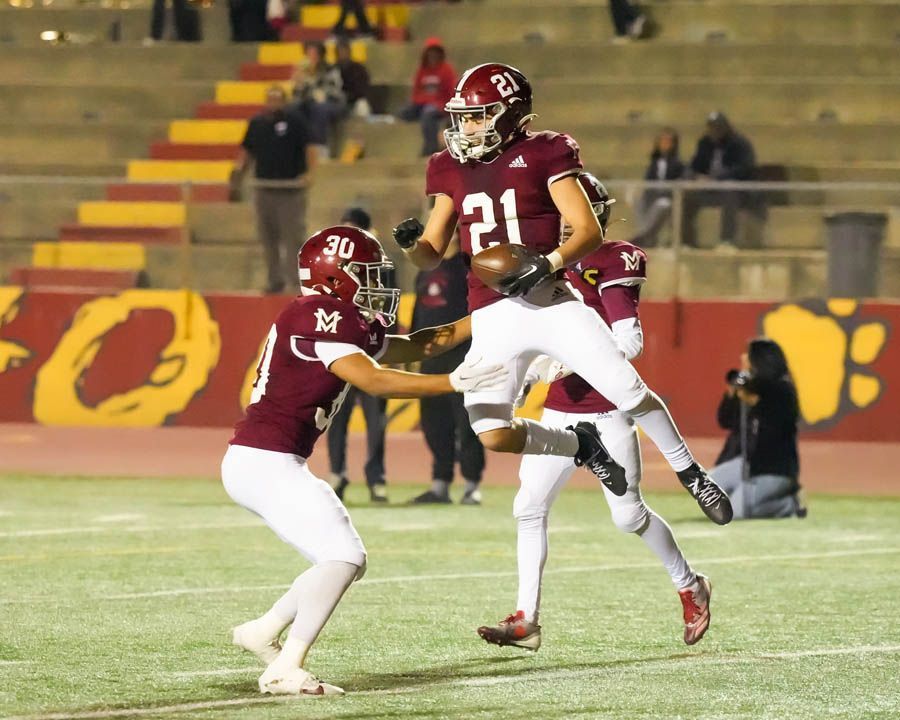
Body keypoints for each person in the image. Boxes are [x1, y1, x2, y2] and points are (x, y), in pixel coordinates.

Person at [392, 62, 733, 526]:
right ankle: (580, 446)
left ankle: (691, 472)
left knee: (627, 389)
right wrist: (412, 245)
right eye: (463, 117)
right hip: (492, 309)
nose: (466, 126)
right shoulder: (447, 166)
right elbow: (431, 255)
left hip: (549, 298)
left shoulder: (546, 150)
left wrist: (547, 263)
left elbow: (588, 229)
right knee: (491, 431)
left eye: (478, 115)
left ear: (511, 114)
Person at [223, 225, 506, 696]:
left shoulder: (337, 316)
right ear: (336, 277)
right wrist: (453, 383)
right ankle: (285, 667)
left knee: (343, 560)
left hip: (270, 460)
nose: (377, 283)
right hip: (263, 461)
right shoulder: (316, 313)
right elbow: (372, 379)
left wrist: (490, 312)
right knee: (344, 556)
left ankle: (263, 630)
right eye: (366, 273)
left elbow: (418, 345)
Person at [477, 175, 711, 651]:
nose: (565, 222)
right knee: (528, 507)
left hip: (606, 412)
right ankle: (526, 620)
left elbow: (629, 341)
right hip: (557, 415)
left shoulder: (610, 260)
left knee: (627, 516)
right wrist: (525, 374)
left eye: (574, 212)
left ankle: (690, 585)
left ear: (597, 213)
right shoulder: (536, 264)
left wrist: (569, 361)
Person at [409, 231, 486, 505]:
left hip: (463, 357)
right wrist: (412, 351)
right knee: (434, 424)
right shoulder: (425, 269)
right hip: (430, 358)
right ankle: (439, 484)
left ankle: (471, 485)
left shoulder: (469, 268)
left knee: (467, 423)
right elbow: (418, 312)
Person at [325, 208, 392, 503]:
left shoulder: (380, 264)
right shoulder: (330, 267)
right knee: (336, 418)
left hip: (372, 351)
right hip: (342, 350)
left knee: (376, 422)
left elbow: (388, 311)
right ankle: (337, 472)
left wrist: (386, 347)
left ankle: (376, 477)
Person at [232, 85, 315, 294]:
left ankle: (296, 282)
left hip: (290, 189)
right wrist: (238, 174)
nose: (274, 103)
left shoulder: (296, 121)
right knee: (268, 237)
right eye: (270, 99)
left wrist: (309, 173)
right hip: (264, 187)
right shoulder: (256, 123)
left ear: (284, 101)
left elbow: (309, 147)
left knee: (292, 237)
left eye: (278, 99)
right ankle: (274, 280)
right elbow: (247, 151)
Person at [711, 338, 805, 519]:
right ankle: (754, 499)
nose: (743, 358)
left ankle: (788, 505)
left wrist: (749, 391)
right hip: (749, 464)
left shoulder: (782, 389)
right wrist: (732, 394)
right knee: (706, 490)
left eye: (748, 354)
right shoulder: (750, 389)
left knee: (736, 512)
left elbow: (767, 401)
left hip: (774, 470)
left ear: (760, 360)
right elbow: (725, 421)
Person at [683, 111, 757, 248]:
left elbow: (744, 169)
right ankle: (686, 241)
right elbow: (695, 164)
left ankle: (727, 240)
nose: (714, 132)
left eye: (717, 128)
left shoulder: (739, 143)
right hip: (710, 190)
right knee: (687, 195)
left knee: (730, 189)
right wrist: (692, 177)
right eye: (711, 128)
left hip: (737, 192)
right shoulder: (705, 143)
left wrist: (716, 179)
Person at [397, 37, 456, 157]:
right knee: (403, 113)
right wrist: (420, 101)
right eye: (430, 52)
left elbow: (451, 91)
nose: (432, 55)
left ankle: (431, 147)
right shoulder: (422, 70)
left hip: (440, 105)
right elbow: (416, 92)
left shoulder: (447, 70)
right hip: (422, 103)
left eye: (435, 52)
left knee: (428, 113)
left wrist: (446, 106)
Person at [630, 127, 685, 247]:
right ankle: (646, 236)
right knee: (637, 200)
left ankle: (643, 237)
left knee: (663, 204)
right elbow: (648, 182)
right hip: (652, 195)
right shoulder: (654, 163)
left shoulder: (678, 164)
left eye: (668, 141)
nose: (664, 144)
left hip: (668, 197)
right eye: (662, 141)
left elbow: (678, 183)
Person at [292, 41, 347, 155]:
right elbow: (297, 96)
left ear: (321, 55)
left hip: (332, 103)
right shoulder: (303, 71)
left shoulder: (330, 69)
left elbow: (334, 91)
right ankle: (296, 146)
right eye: (308, 54)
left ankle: (320, 147)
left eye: (314, 54)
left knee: (319, 109)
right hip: (310, 102)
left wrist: (313, 84)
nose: (311, 57)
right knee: (293, 109)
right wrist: (299, 84)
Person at [335, 39, 372, 117]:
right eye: (339, 52)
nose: (342, 54)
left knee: (362, 105)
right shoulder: (333, 68)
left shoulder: (359, 69)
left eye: (344, 51)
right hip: (336, 100)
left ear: (349, 52)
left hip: (355, 100)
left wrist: (349, 96)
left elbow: (362, 89)